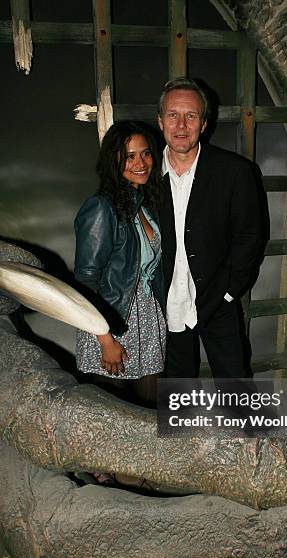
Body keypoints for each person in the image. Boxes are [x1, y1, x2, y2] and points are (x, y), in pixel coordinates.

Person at [157, 77, 263, 379]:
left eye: (190, 116)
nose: (181, 125)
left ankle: (245, 428)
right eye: (173, 115)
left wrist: (230, 292)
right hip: (165, 300)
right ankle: (181, 428)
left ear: (204, 123)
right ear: (160, 120)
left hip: (218, 298)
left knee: (234, 382)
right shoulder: (145, 172)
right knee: (176, 388)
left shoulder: (235, 172)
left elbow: (250, 236)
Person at [74, 120, 165, 407]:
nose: (141, 163)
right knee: (113, 417)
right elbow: (85, 281)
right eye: (129, 155)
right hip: (112, 321)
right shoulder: (101, 207)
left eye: (146, 153)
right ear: (113, 160)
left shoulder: (145, 204)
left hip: (147, 318)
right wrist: (106, 340)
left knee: (148, 411)